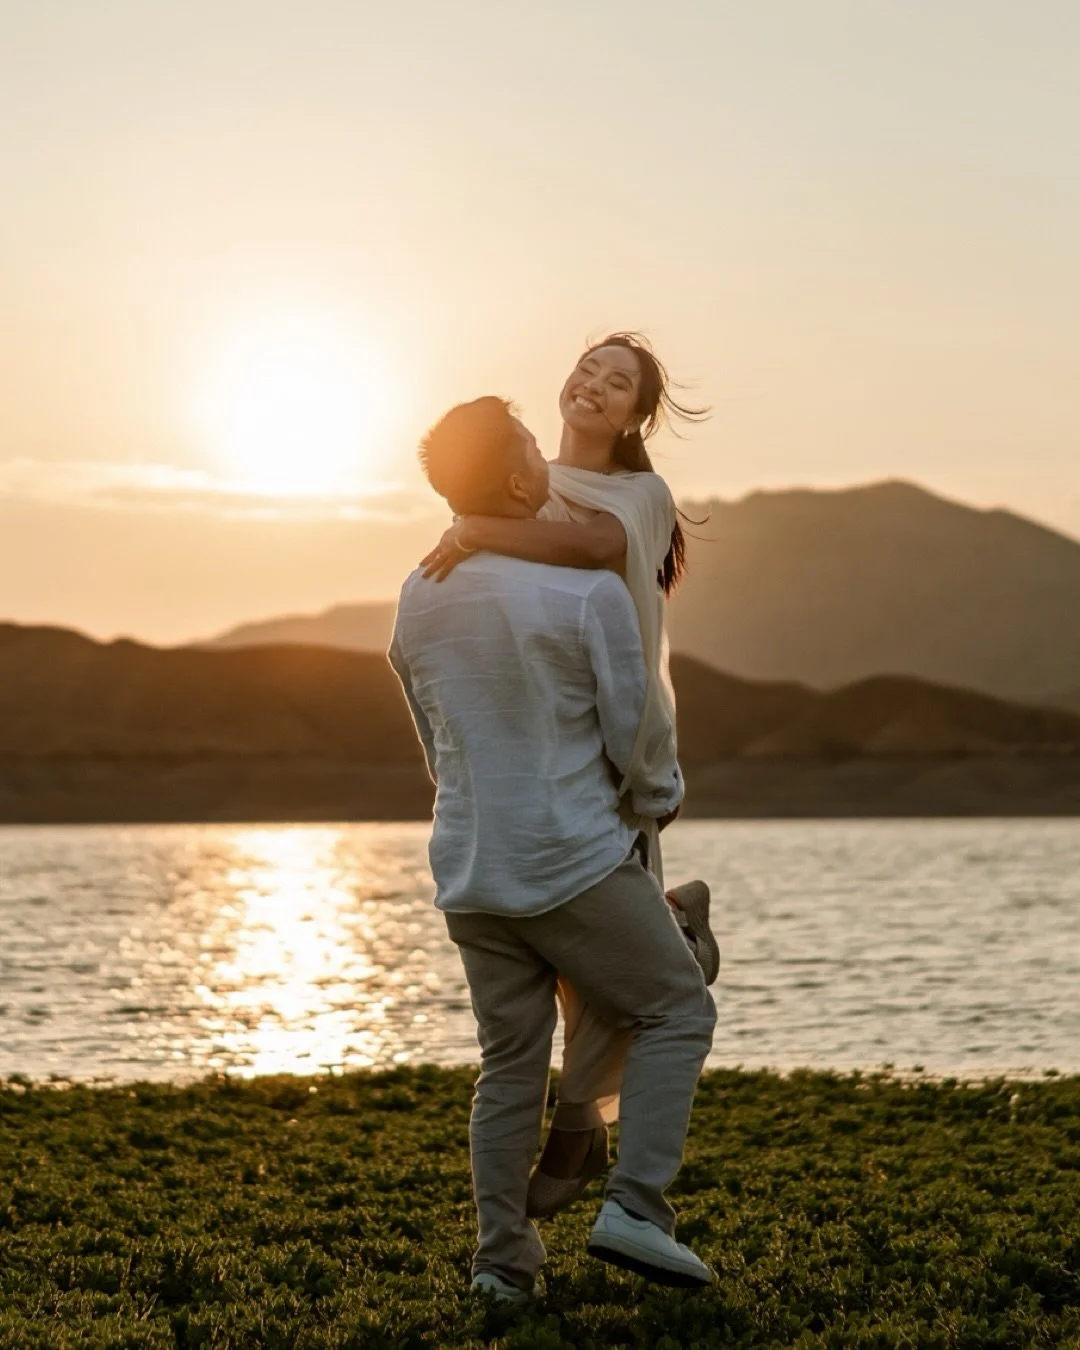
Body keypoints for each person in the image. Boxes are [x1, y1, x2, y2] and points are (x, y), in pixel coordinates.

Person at [390, 396, 717, 1300]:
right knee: (677, 1008)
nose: (545, 452)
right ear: (520, 477)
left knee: (508, 1067)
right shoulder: (584, 594)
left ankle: (502, 1267)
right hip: (567, 860)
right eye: (531, 442)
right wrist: (659, 801)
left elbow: (434, 731)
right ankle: (637, 1209)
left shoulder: (420, 590)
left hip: (469, 870)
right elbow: (634, 733)